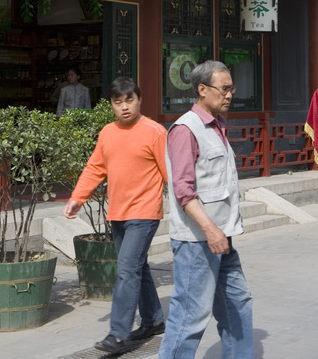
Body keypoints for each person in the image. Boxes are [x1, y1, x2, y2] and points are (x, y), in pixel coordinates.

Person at [63, 77, 167, 355]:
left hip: (145, 212)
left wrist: (189, 209)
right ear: (111, 104)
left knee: (127, 270)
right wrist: (77, 198)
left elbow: (170, 172)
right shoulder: (107, 132)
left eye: (129, 100)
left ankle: (118, 333)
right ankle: (154, 320)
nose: (124, 107)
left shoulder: (155, 132)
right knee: (138, 267)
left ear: (139, 99)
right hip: (118, 212)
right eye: (118, 102)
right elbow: (95, 168)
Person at [158, 60, 253, 359]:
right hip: (197, 241)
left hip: (221, 237)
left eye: (231, 88)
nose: (230, 95)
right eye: (224, 89)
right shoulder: (186, 129)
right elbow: (183, 191)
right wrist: (211, 230)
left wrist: (219, 232)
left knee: (238, 303)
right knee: (190, 315)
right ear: (202, 89)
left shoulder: (217, 125)